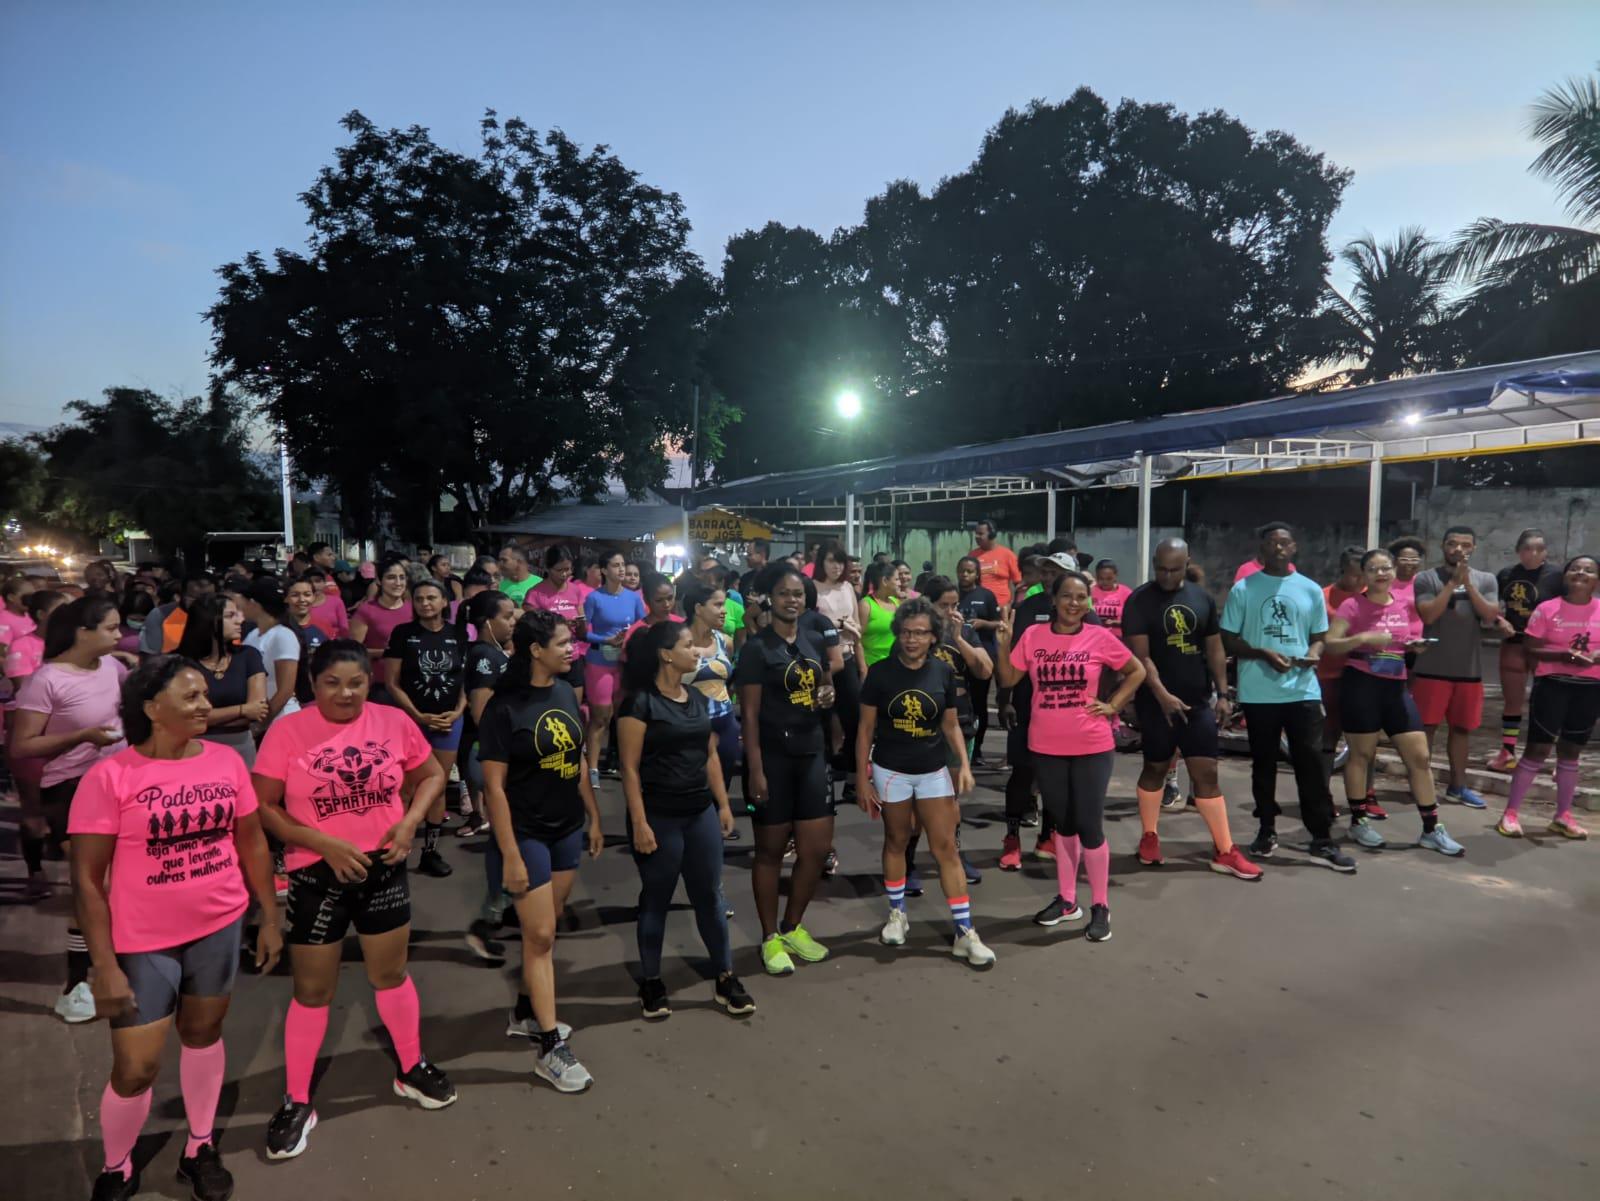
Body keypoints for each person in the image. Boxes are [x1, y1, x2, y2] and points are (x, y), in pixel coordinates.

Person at [70, 656, 281, 1201]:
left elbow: (252, 842)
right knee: (136, 1067)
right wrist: (104, 966)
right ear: (151, 708)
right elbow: (88, 881)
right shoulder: (109, 776)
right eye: (190, 697)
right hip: (142, 940)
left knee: (203, 1035)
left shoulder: (225, 763)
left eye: (205, 695)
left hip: (219, 924)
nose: (206, 706)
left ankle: (200, 1147)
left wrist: (270, 917)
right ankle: (118, 1164)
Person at [253, 639, 454, 1160]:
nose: (346, 694)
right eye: (332, 683)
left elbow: (431, 775)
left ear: (371, 681)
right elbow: (264, 807)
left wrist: (410, 822)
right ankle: (298, 1099)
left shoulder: (391, 721)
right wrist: (322, 843)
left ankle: (411, 1068)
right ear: (313, 685)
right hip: (316, 873)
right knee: (312, 992)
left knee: (390, 976)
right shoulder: (289, 730)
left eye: (357, 683)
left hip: (383, 867)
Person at [479, 610, 604, 1092]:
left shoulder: (564, 693)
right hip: (526, 833)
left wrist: (592, 816)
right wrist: (509, 853)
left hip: (566, 828)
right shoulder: (502, 707)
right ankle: (550, 1048)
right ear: (535, 650)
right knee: (542, 936)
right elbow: (494, 789)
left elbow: (576, 762)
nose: (572, 649)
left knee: (546, 930)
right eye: (563, 643)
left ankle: (524, 1013)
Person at [997, 570, 1146, 942]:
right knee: (1062, 823)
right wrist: (1003, 641)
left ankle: (1099, 905)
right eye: (1068, 596)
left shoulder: (1098, 637)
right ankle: (1067, 900)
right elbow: (1008, 679)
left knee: (1089, 825)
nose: (1075, 603)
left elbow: (1136, 670)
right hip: (1046, 745)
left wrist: (1112, 706)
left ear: (1088, 602)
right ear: (1054, 599)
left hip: (1092, 745)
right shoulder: (1033, 636)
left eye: (1082, 597)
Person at [619, 620, 754, 1019]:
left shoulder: (695, 698)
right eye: (688, 645)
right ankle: (651, 981)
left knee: (709, 896)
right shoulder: (639, 703)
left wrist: (723, 805)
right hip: (659, 816)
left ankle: (726, 977)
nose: (697, 651)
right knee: (656, 899)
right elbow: (629, 770)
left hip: (700, 814)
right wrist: (640, 823)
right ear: (666, 654)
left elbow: (709, 755)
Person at [12, 594, 130, 1022]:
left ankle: (112, 966)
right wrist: (81, 737)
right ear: (83, 632)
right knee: (92, 886)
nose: (120, 636)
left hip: (120, 782)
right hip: (70, 789)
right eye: (112, 628)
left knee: (117, 884)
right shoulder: (45, 680)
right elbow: (22, 744)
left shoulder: (113, 668)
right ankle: (77, 984)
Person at [859, 596, 994, 966]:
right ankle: (897, 914)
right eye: (905, 632)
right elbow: (865, 729)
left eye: (920, 633)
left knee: (945, 847)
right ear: (897, 634)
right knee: (897, 841)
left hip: (933, 770)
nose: (912, 639)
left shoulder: (942, 672)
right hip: (891, 772)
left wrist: (964, 764)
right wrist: (862, 779)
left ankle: (965, 932)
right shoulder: (880, 673)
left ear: (933, 636)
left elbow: (950, 723)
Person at [1122, 539, 1262, 880]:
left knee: (1207, 774)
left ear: (1187, 563)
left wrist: (1223, 693)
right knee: (1155, 769)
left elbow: (1214, 648)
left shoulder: (1201, 598)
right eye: (1161, 568)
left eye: (1174, 569)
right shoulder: (1139, 600)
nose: (1167, 576)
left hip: (1197, 702)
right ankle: (1150, 836)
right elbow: (1141, 657)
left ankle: (1225, 850)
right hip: (1155, 704)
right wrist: (1162, 695)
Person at [1220, 523, 1356, 872]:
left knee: (1310, 763)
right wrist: (1263, 652)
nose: (1279, 548)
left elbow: (1320, 635)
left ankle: (1322, 839)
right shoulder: (1244, 589)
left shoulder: (1309, 589)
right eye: (1272, 543)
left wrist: (1314, 651)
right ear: (1262, 549)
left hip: (1302, 689)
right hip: (1259, 693)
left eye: (1285, 542)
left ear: (1294, 547)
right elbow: (1228, 639)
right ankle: (1266, 829)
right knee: (1263, 765)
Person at [1324, 549, 1464, 857]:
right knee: (1361, 756)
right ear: (1364, 574)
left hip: (1396, 688)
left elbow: (1408, 642)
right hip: (1361, 685)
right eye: (1373, 568)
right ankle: (1359, 821)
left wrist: (1416, 648)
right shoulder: (1352, 605)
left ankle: (1432, 829)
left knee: (1419, 757)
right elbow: (1331, 644)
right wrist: (1362, 639)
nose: (1381, 573)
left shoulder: (1405, 605)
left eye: (1386, 567)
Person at [735, 563, 835, 976]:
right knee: (771, 853)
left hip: (811, 754)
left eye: (798, 594)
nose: (792, 600)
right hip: (772, 760)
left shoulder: (812, 639)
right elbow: (751, 715)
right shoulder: (757, 649)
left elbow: (825, 685)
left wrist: (828, 699)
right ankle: (768, 936)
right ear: (768, 600)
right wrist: (755, 770)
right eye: (783, 594)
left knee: (814, 851)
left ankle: (792, 926)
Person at [1497, 555, 1600, 839]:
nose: (1581, 573)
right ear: (1565, 576)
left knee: (1571, 752)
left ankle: (1562, 816)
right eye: (1575, 568)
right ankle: (1510, 813)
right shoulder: (1547, 608)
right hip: (1552, 684)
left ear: (1597, 580)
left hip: (1589, 688)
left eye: (1588, 570)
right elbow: (1530, 649)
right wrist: (1563, 655)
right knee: (1538, 750)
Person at [1412, 527, 1513, 809]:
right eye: (1452, 544)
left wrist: (1467, 584)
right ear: (1443, 546)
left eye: (1465, 545)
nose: (1458, 549)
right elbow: (1429, 613)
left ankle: (1458, 786)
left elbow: (1491, 615)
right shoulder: (1426, 578)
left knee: (1462, 730)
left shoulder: (1486, 579)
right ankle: (1422, 786)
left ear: (1474, 548)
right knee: (1425, 730)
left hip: (1468, 670)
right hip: (1432, 667)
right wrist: (1450, 584)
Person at [995, 550, 1080, 868]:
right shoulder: (1026, 608)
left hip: (1064, 710)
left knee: (1055, 778)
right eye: (1044, 572)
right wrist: (1004, 699)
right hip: (1027, 706)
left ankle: (1048, 836)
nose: (1047, 577)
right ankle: (1012, 838)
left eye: (1054, 572)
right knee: (1022, 772)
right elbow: (1011, 658)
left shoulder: (1082, 613)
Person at [383, 578, 468, 879]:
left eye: (432, 598)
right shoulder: (403, 634)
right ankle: (395, 851)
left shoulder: (458, 634)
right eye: (419, 599)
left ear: (445, 602)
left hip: (447, 724)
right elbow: (391, 683)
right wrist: (417, 715)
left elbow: (464, 680)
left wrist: (457, 711)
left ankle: (430, 852)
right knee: (404, 788)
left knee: (437, 786)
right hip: (411, 723)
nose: (425, 603)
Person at [459, 590, 518, 958]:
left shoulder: (495, 654)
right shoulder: (484, 657)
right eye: (508, 616)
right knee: (503, 839)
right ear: (487, 623)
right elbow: (482, 714)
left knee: (508, 838)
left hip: (495, 757)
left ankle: (503, 907)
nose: (513, 621)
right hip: (489, 758)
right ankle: (487, 920)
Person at [6, 587, 66, 901]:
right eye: (61, 608)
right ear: (42, 615)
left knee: (65, 807)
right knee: (34, 810)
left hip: (67, 739)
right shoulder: (23, 646)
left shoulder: (71, 645)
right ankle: (35, 872)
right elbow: (25, 692)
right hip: (31, 737)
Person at [1491, 528, 1564, 771]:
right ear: (1518, 551)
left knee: (1549, 701)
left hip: (1545, 647)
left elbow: (1568, 608)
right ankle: (1508, 752)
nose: (1533, 553)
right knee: (1513, 700)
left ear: (1546, 551)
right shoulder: (1506, 575)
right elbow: (1491, 607)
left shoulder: (1557, 576)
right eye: (1527, 548)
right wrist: (1499, 621)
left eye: (1539, 548)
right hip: (1514, 643)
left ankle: (1553, 756)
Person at [175, 594, 269, 767]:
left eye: (238, 615)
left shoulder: (249, 656)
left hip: (240, 747)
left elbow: (257, 712)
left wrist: (208, 717)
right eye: (230, 616)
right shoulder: (181, 663)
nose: (240, 620)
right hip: (193, 748)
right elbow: (184, 716)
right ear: (208, 620)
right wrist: (242, 709)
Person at [581, 550, 646, 787]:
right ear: (604, 570)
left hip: (625, 663)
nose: (621, 569)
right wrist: (605, 639)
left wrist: (629, 639)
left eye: (623, 564)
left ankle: (626, 764)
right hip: (599, 662)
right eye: (616, 565)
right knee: (600, 717)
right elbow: (582, 632)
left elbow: (643, 626)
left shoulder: (634, 598)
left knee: (624, 715)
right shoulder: (594, 598)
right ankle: (593, 768)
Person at [680, 580, 741, 834]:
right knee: (691, 784)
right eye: (717, 605)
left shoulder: (725, 641)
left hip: (724, 722)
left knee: (721, 781)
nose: (724, 611)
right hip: (690, 726)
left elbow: (730, 679)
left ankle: (716, 828)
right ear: (698, 608)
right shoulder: (677, 643)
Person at [1321, 546, 1377, 820]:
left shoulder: (1372, 597)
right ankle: (1322, 795)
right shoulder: (1323, 597)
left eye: (1364, 575)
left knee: (1366, 738)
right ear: (1343, 571)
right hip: (1329, 676)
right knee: (1328, 736)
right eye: (1355, 576)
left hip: (1364, 676)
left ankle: (1367, 795)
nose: (1360, 582)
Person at [955, 556, 1002, 767]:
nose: (965, 575)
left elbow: (999, 623)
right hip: (955, 658)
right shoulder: (952, 594)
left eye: (969, 571)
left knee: (979, 704)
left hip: (981, 655)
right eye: (962, 571)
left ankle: (977, 749)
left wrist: (983, 623)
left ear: (977, 574)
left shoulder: (986, 596)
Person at [240, 579, 303, 728]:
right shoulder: (253, 634)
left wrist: (262, 724)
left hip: (282, 719)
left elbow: (285, 690)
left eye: (245, 602)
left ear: (254, 603)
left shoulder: (283, 635)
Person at [349, 558, 413, 695]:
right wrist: (388, 653)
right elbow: (353, 650)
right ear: (379, 580)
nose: (398, 583)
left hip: (412, 684)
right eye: (391, 577)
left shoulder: (414, 609)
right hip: (380, 685)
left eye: (402, 578)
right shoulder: (367, 611)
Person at [857, 560, 902, 672]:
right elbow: (857, 640)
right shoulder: (866, 605)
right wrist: (863, 669)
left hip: (896, 664)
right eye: (896, 579)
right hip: (873, 665)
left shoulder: (896, 602)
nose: (899, 583)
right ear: (885, 581)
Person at [971, 519, 1021, 609]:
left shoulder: (1008, 555)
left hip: (1001, 606)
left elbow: (1018, 582)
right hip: (979, 604)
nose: (976, 536)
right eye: (976, 533)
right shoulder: (972, 555)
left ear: (992, 534)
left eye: (981, 534)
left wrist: (1012, 604)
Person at [303, 566, 350, 640]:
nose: (314, 585)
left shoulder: (336, 602)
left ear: (324, 582)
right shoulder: (300, 604)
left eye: (318, 581)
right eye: (309, 582)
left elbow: (344, 629)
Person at [1090, 560, 1133, 633]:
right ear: (1096, 576)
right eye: (1101, 578)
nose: (1105, 582)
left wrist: (1115, 623)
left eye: (1109, 578)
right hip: (1096, 637)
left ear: (1115, 576)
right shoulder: (1090, 592)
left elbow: (1134, 620)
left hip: (1119, 639)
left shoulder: (1126, 593)